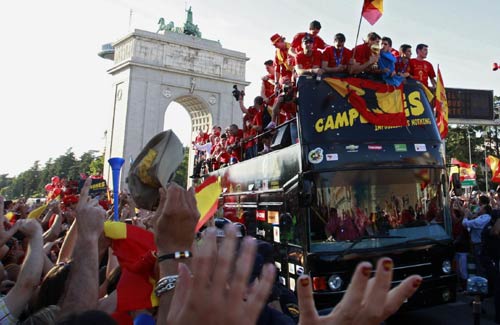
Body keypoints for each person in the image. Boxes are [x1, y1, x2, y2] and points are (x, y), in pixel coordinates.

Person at [463, 195, 492, 277]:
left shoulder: (483, 219)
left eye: (481, 207)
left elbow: (466, 223)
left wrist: (466, 215)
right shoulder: (483, 216)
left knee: (480, 266)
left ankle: (482, 285)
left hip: (479, 245)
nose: (479, 207)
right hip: (478, 244)